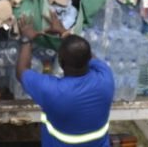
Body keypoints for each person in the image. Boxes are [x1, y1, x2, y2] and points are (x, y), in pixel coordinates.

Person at [16, 13, 115, 147]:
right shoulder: (106, 78)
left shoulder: (53, 91)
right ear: (88, 60)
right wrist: (63, 32)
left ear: (61, 63)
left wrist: (26, 39)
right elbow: (87, 54)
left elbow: (22, 71)